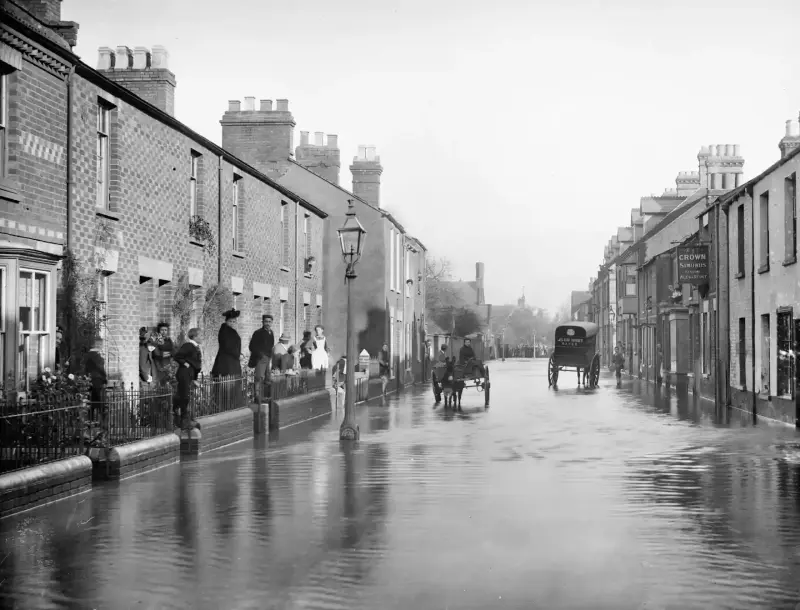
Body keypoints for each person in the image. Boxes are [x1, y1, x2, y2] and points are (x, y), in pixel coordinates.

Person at [174, 327, 202, 429]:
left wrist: (195, 379)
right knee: (184, 396)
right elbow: (177, 356)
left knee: (186, 396)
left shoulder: (195, 347)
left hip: (190, 374)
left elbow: (197, 365)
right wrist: (185, 363)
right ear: (194, 336)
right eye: (200, 335)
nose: (202, 337)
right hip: (184, 373)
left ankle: (185, 418)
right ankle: (183, 421)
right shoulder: (188, 345)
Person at [85, 337, 108, 441]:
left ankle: (90, 431)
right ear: (98, 345)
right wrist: (105, 378)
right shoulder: (96, 356)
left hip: (90, 383)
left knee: (91, 408)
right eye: (101, 345)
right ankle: (103, 431)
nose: (102, 347)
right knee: (102, 407)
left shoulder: (87, 355)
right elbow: (100, 368)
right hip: (97, 383)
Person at [248, 314, 275, 404]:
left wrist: (269, 356)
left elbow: (270, 346)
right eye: (266, 321)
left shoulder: (271, 333)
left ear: (272, 323)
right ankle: (257, 397)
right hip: (261, 358)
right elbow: (252, 346)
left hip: (268, 358)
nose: (267, 323)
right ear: (262, 322)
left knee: (267, 378)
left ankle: (266, 396)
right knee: (259, 377)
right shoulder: (258, 333)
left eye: (269, 322)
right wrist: (261, 355)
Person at [211, 309, 242, 377]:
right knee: (227, 380)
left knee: (233, 379)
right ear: (226, 321)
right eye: (230, 321)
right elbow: (227, 345)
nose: (232, 323)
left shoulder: (232, 331)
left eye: (234, 321)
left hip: (233, 359)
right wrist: (237, 354)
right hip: (227, 360)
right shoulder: (225, 330)